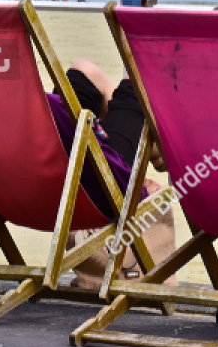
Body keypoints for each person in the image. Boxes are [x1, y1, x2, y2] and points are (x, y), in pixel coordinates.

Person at [53, 59, 173, 290]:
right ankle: (157, 144)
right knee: (140, 77)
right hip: (98, 189)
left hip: (35, 182)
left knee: (83, 70)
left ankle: (155, 144)